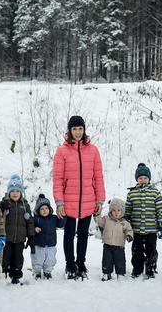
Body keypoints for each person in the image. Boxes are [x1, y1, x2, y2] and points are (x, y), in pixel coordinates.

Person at [53, 115, 106, 279]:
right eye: (74, 129)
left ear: (84, 130)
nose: (77, 132)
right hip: (68, 201)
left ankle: (81, 263)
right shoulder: (61, 151)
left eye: (80, 129)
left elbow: (98, 177)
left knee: (83, 235)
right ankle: (70, 264)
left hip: (88, 201)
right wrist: (59, 202)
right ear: (70, 130)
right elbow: (58, 178)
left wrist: (100, 200)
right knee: (68, 235)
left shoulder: (93, 150)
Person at [124, 163, 162, 279]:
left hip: (151, 229)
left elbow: (161, 209)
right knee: (136, 251)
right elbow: (127, 210)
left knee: (151, 250)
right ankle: (137, 269)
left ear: (149, 179)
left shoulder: (155, 192)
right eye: (140, 178)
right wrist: (126, 224)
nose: (142, 180)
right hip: (136, 230)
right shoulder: (132, 193)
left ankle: (150, 269)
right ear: (137, 179)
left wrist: (161, 225)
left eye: (145, 178)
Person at [0, 174, 35, 284]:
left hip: (20, 238)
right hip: (7, 237)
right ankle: (3, 273)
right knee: (6, 257)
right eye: (13, 191)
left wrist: (31, 236)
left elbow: (30, 222)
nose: (15, 193)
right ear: (9, 192)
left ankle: (16, 275)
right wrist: (1, 206)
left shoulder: (25, 205)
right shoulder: (5, 203)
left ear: (21, 192)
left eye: (17, 191)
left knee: (18, 258)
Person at [96, 197, 133, 281]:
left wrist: (129, 235)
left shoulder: (124, 222)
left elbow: (129, 230)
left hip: (119, 246)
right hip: (107, 245)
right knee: (106, 260)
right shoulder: (106, 219)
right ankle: (106, 273)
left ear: (122, 211)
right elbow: (100, 222)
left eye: (118, 210)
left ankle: (120, 274)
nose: (116, 213)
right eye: (114, 210)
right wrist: (97, 214)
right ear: (110, 211)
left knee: (120, 261)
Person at [31, 193, 66, 280]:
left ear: (49, 209)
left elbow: (61, 224)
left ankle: (47, 271)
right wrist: (34, 228)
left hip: (51, 244)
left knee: (50, 260)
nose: (44, 210)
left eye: (46, 208)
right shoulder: (35, 219)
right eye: (42, 209)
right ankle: (37, 272)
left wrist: (63, 216)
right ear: (38, 210)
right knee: (37, 259)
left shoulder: (53, 218)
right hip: (39, 244)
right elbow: (29, 226)